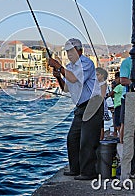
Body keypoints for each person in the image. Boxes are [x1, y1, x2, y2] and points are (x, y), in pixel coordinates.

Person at [48, 38, 102, 180]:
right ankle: (75, 169)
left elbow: (73, 79)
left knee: (87, 141)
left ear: (79, 51)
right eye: (67, 52)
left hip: (92, 105)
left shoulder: (86, 63)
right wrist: (59, 76)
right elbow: (66, 88)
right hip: (80, 108)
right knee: (72, 138)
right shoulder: (69, 67)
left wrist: (59, 67)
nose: (69, 54)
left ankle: (88, 173)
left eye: (71, 51)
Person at [106, 71, 124, 138]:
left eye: (116, 78)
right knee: (120, 121)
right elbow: (114, 96)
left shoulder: (118, 86)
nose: (115, 80)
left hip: (118, 106)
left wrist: (104, 97)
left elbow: (110, 94)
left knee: (117, 122)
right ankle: (120, 135)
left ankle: (120, 136)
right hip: (120, 105)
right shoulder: (122, 86)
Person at [96, 67, 109, 140]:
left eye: (97, 75)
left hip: (100, 106)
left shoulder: (103, 84)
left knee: (101, 124)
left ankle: (100, 139)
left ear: (102, 75)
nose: (96, 77)